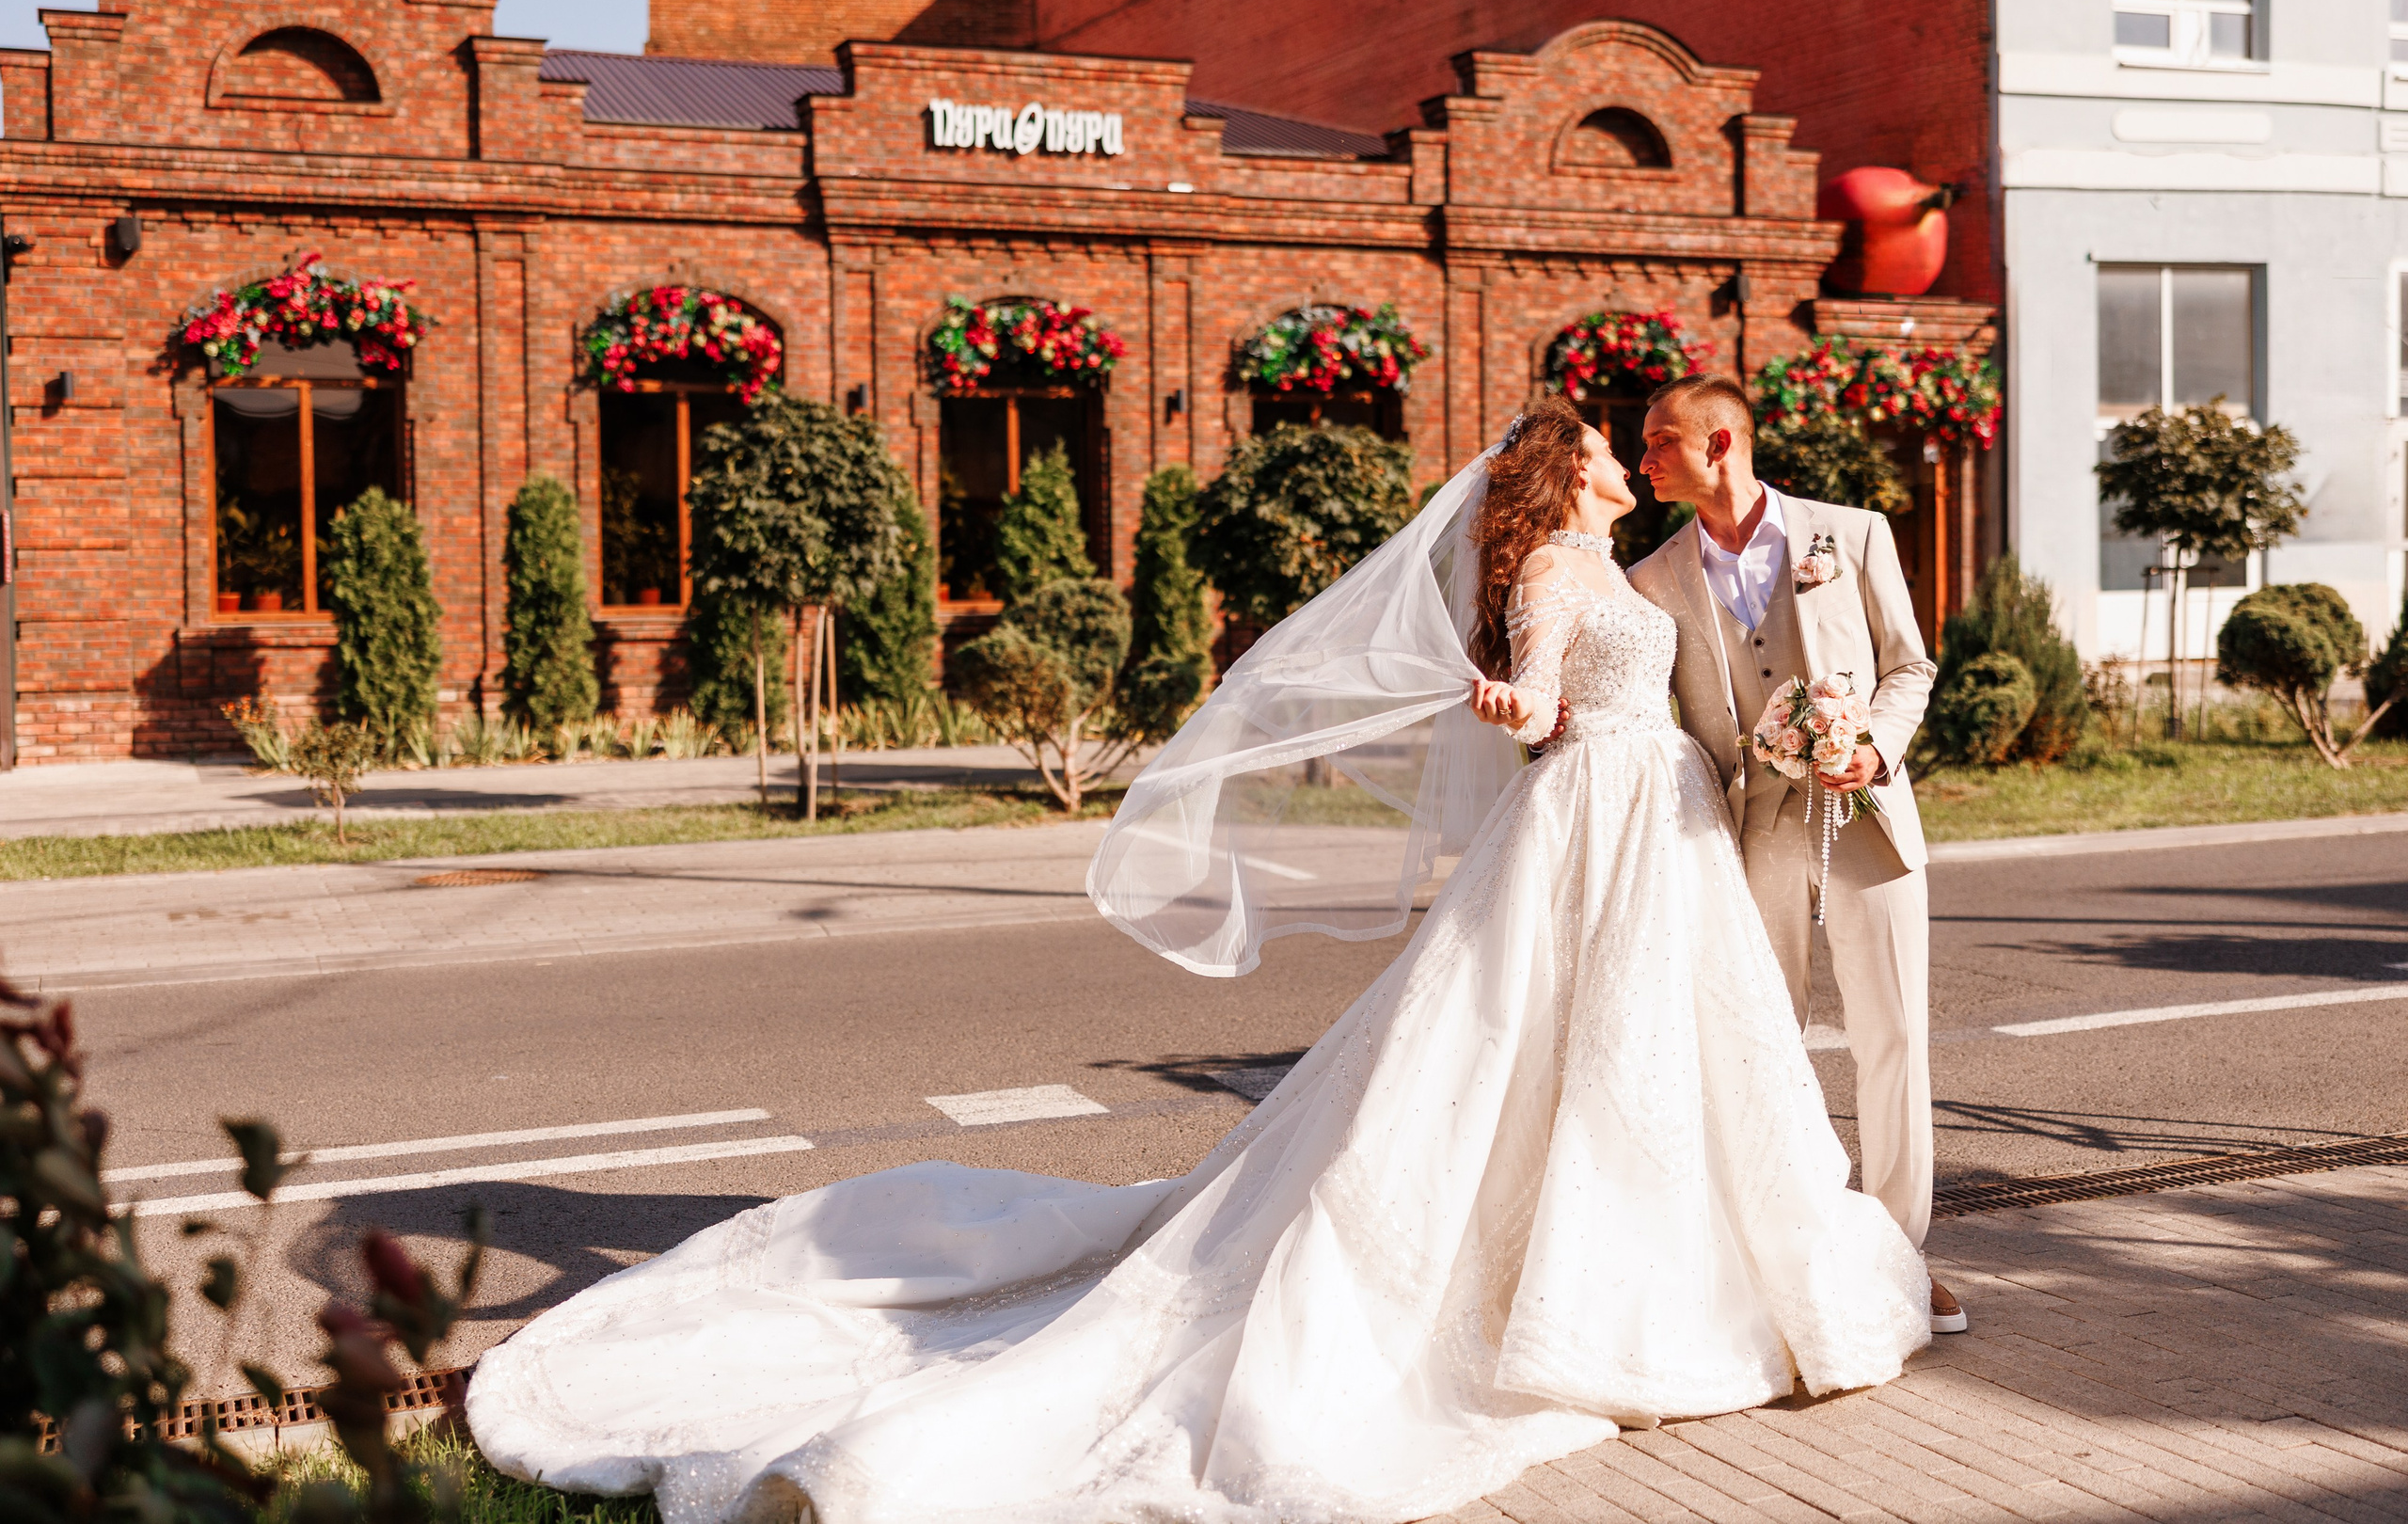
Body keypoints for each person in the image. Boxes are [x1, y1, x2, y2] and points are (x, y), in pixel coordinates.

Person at [466, 394, 1931, 1524]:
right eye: (1611, 448)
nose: (1629, 458)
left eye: (1641, 445)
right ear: (1571, 476)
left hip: (1660, 830)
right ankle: (1591, 1301)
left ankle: (1707, 1276)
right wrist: (1502, 700)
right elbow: (1541, 702)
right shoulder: (1559, 565)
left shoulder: (1634, 560)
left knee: (1660, 1068)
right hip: (1595, 822)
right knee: (1539, 1058)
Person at [1625, 372, 1964, 1333]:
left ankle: (1900, 1256)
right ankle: (1799, 1252)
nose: (1645, 458)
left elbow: (1908, 666)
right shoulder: (1653, 578)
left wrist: (1874, 746)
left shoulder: (1849, 535)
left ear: (1719, 444)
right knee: (1767, 1048)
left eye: (1659, 441)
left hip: (1867, 816)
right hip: (1753, 833)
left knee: (1892, 1039)